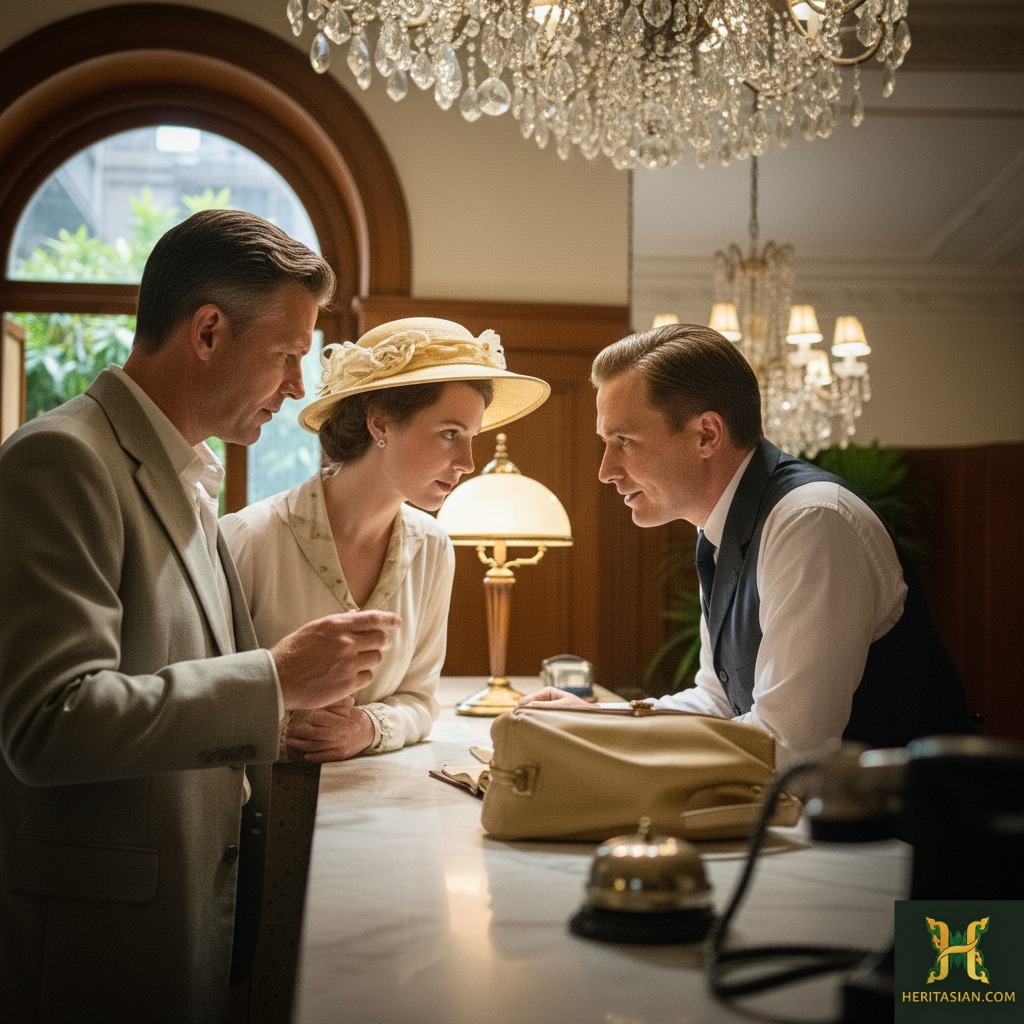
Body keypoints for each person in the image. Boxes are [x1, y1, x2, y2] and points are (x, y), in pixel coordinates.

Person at [0, 209, 401, 1023]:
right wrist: (276, 680)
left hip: (185, 916)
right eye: (288, 355)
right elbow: (47, 722)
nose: (298, 388)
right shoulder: (62, 459)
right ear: (209, 331)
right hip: (94, 945)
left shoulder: (188, 472)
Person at [520, 323, 972, 764]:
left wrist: (614, 743)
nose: (606, 470)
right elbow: (718, 703)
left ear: (707, 434)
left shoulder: (811, 520)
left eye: (624, 441)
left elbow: (789, 743)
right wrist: (593, 722)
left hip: (893, 832)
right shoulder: (721, 531)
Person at [221, 317, 550, 761]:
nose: (468, 461)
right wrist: (285, 723)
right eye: (450, 434)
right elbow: (204, 697)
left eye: (472, 437)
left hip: (374, 806)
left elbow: (420, 700)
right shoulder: (248, 537)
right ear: (380, 424)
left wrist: (367, 728)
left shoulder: (433, 547)